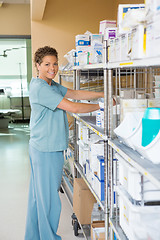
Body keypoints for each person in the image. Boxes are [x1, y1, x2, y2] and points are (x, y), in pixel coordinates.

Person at [24, 46, 104, 240]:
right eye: (47, 64)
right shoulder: (40, 88)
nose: (52, 68)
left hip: (43, 146)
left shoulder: (49, 84)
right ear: (37, 65)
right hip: (46, 149)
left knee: (38, 198)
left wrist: (101, 94)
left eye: (55, 63)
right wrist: (103, 106)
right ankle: (48, 237)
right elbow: (73, 106)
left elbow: (74, 93)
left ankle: (33, 236)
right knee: (49, 200)